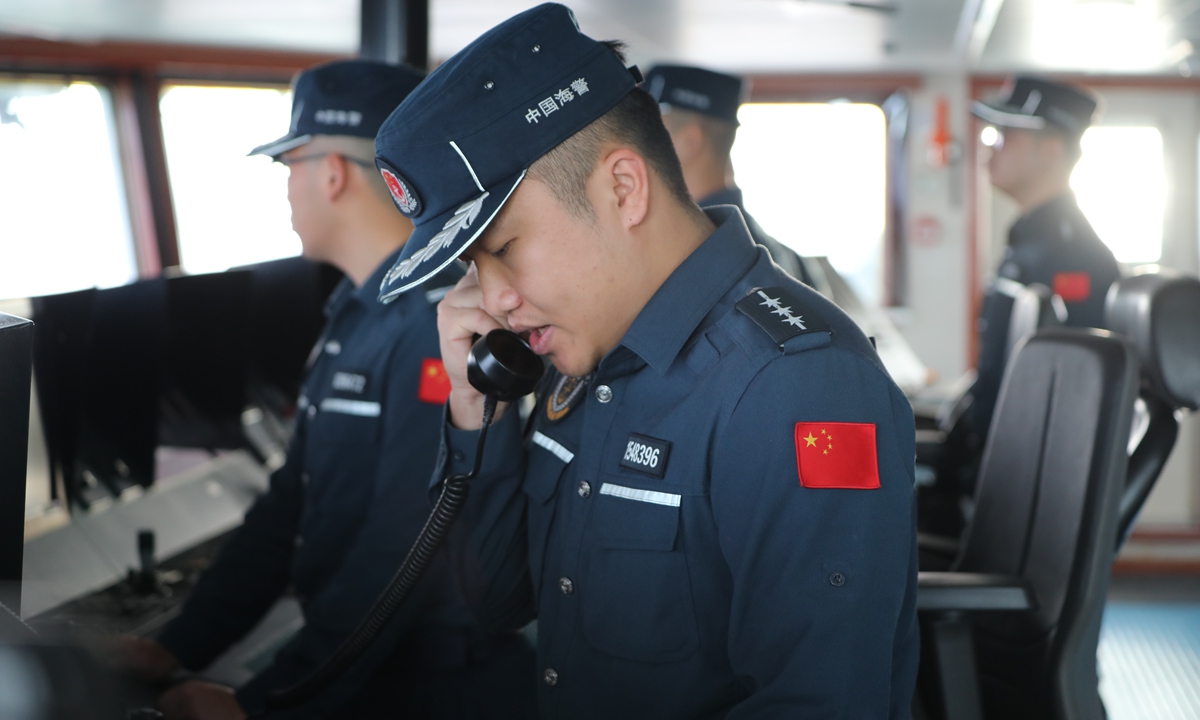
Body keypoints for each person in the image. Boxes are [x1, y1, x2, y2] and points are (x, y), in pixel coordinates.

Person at [373, 4, 918, 718]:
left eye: (502, 250)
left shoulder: (796, 386)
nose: (494, 300)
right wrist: (477, 415)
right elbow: (499, 599)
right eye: (474, 267)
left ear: (623, 190)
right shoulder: (581, 352)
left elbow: (822, 702)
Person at [112, 60, 536, 720]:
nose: (286, 191)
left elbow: (401, 548)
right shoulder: (353, 315)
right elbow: (290, 503)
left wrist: (263, 703)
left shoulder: (441, 322)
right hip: (359, 666)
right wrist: (176, 647)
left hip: (430, 688)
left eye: (290, 166)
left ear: (332, 173)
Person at [966, 77, 1120, 448]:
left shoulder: (1073, 256)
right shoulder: (1030, 240)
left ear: (1051, 150)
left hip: (1020, 456)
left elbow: (1068, 393)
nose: (990, 151)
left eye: (1006, 138)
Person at [645, 64, 815, 286]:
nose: (637, 145)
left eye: (649, 133)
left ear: (689, 141)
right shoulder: (769, 251)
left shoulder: (695, 250)